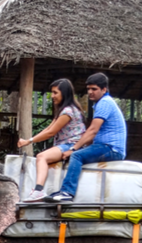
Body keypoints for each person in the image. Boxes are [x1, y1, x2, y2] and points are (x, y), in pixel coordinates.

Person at [45, 73, 127, 202]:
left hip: (111, 148)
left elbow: (92, 131)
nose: (90, 92)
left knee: (76, 155)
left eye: (94, 89)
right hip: (103, 146)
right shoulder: (102, 103)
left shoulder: (105, 103)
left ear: (104, 89)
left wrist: (73, 149)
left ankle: (67, 192)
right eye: (88, 89)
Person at [18, 78, 86, 202]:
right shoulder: (63, 110)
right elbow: (49, 128)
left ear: (64, 93)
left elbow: (50, 133)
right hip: (65, 144)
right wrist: (29, 139)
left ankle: (38, 190)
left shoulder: (68, 111)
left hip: (71, 145)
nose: (52, 96)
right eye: (52, 92)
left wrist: (28, 141)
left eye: (55, 93)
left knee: (41, 157)